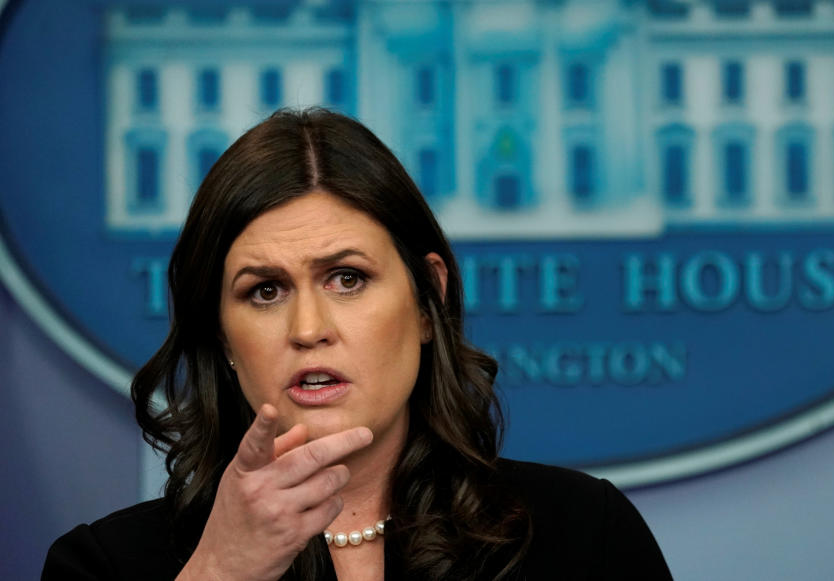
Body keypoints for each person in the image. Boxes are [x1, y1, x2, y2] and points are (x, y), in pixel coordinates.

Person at [42, 108, 672, 581]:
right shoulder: (103, 565)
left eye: (347, 279)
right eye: (264, 291)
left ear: (429, 300)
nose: (309, 327)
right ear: (220, 336)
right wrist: (221, 570)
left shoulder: (585, 536)